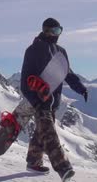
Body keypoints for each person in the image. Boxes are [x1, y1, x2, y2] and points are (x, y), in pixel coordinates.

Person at [20, 17, 88, 181]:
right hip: (39, 100)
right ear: (43, 30)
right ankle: (63, 167)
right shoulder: (33, 50)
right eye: (50, 31)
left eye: (57, 31)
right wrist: (34, 100)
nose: (53, 34)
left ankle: (33, 161)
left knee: (41, 132)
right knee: (49, 134)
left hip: (52, 101)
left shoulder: (60, 52)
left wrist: (80, 88)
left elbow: (67, 74)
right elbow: (25, 80)